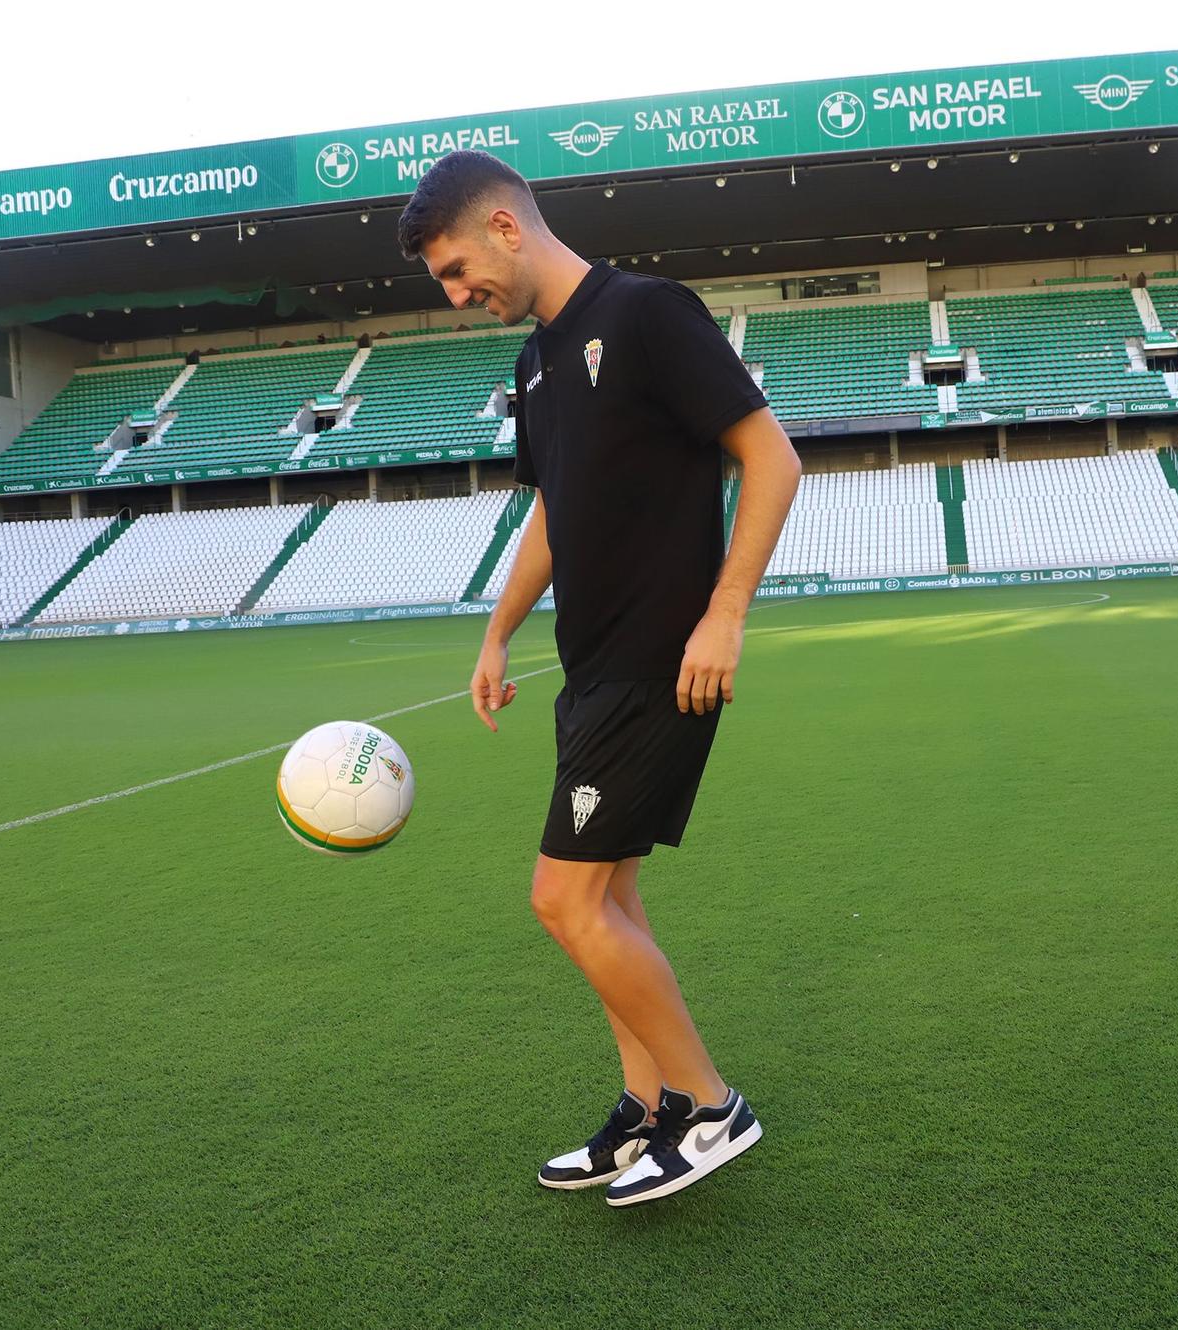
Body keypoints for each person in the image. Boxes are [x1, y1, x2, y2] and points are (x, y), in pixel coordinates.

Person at [398, 151, 802, 1207]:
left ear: (503, 226)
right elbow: (550, 513)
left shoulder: (646, 313)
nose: (454, 296)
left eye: (452, 269)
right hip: (591, 671)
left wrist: (724, 614)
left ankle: (710, 1103)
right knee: (609, 897)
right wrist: (494, 635)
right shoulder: (536, 365)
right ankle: (649, 1111)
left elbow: (771, 456)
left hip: (660, 665)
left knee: (562, 897)